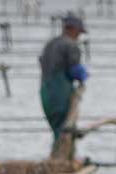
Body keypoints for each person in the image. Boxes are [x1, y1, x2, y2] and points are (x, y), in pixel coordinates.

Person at [38, 14, 90, 145]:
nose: (79, 36)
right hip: (60, 93)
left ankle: (59, 158)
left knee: (58, 129)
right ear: (72, 29)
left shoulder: (50, 44)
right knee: (65, 131)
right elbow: (74, 70)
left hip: (46, 93)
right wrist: (82, 75)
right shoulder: (71, 45)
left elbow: (41, 62)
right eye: (78, 32)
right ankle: (62, 161)